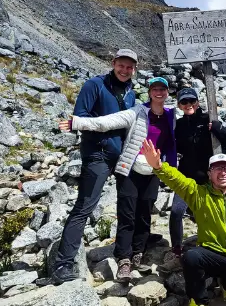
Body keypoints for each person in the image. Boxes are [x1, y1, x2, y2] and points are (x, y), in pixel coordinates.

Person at [58, 76, 176, 282]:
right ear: (149, 92)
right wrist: (77, 122)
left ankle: (138, 253)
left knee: (145, 212)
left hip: (153, 170)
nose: (159, 92)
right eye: (155, 89)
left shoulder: (171, 115)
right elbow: (107, 122)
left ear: (167, 93)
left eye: (162, 89)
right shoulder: (137, 112)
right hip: (130, 169)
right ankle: (124, 258)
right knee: (127, 213)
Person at [142, 140, 226, 306]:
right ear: (209, 173)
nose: (223, 172)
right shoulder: (198, 193)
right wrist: (159, 166)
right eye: (217, 168)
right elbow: (177, 180)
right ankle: (199, 301)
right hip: (210, 255)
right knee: (191, 257)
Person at [51, 49, 138, 284]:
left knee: (128, 206)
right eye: (122, 65)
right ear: (113, 63)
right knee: (84, 207)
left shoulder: (131, 92)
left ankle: (127, 253)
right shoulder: (95, 85)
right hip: (97, 155)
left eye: (130, 67)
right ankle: (63, 264)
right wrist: (109, 126)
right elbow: (81, 117)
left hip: (121, 156)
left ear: (134, 69)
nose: (125, 70)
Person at [170, 87, 226, 258]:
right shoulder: (179, 125)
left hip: (206, 177)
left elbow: (224, 143)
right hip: (185, 176)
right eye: (184, 102)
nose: (188, 104)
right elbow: (175, 147)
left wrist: (217, 129)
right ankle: (176, 248)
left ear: (197, 103)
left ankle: (214, 244)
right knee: (176, 212)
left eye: (191, 101)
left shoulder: (208, 119)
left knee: (211, 213)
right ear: (179, 105)